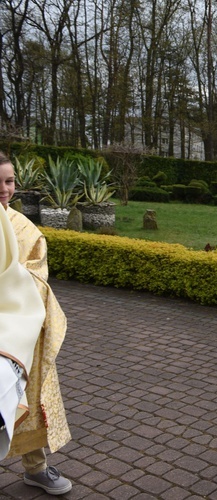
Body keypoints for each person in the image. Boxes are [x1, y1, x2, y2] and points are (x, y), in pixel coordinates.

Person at [0, 153, 73, 495]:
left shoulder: (23, 227)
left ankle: (36, 467)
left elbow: (37, 276)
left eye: (9, 181)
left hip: (16, 329)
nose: (4, 189)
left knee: (29, 393)